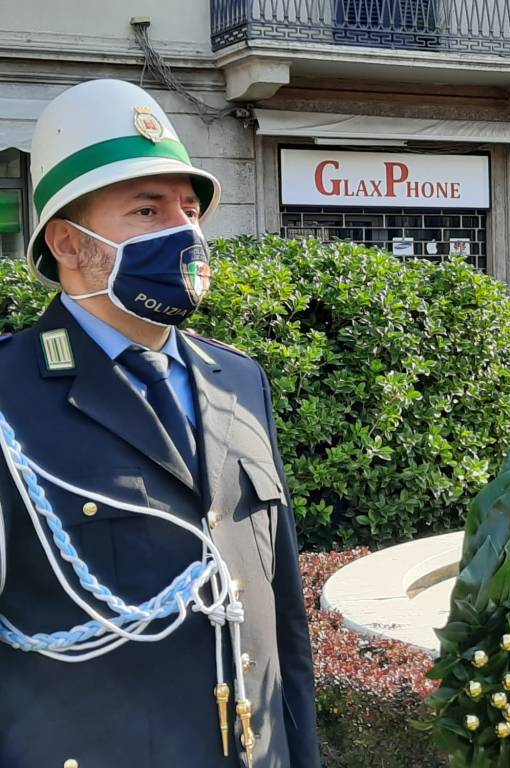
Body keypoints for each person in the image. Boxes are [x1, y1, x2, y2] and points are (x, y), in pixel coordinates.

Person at [0, 79, 320, 767]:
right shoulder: (9, 394)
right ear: (67, 242)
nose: (185, 234)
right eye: (147, 211)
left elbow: (280, 620)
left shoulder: (238, 379)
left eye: (189, 209)